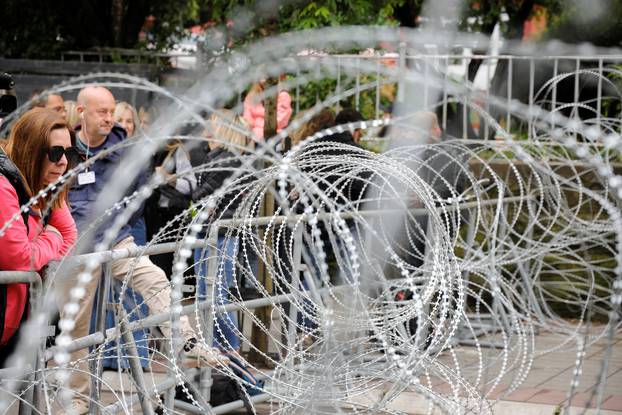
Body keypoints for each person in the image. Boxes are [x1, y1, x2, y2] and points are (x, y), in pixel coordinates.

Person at [57, 86, 224, 414]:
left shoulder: (126, 149)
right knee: (75, 326)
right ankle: (75, 401)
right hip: (77, 246)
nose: (108, 118)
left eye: (110, 111)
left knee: (153, 277)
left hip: (116, 239)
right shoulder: (66, 149)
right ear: (81, 112)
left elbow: (138, 193)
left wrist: (116, 226)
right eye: (101, 112)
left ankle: (185, 340)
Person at [0, 108, 78, 367]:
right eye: (55, 153)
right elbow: (19, 258)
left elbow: (69, 237)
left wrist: (42, 245)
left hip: (15, 324)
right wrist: (50, 238)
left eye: (69, 153)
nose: (64, 162)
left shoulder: (42, 188)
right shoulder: (4, 187)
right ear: (31, 150)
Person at [192, 109, 252, 352]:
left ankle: (230, 350)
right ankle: (217, 349)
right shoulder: (219, 157)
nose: (208, 127)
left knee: (214, 296)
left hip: (219, 235)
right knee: (208, 295)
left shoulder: (226, 160)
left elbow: (200, 195)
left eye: (214, 123)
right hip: (213, 233)